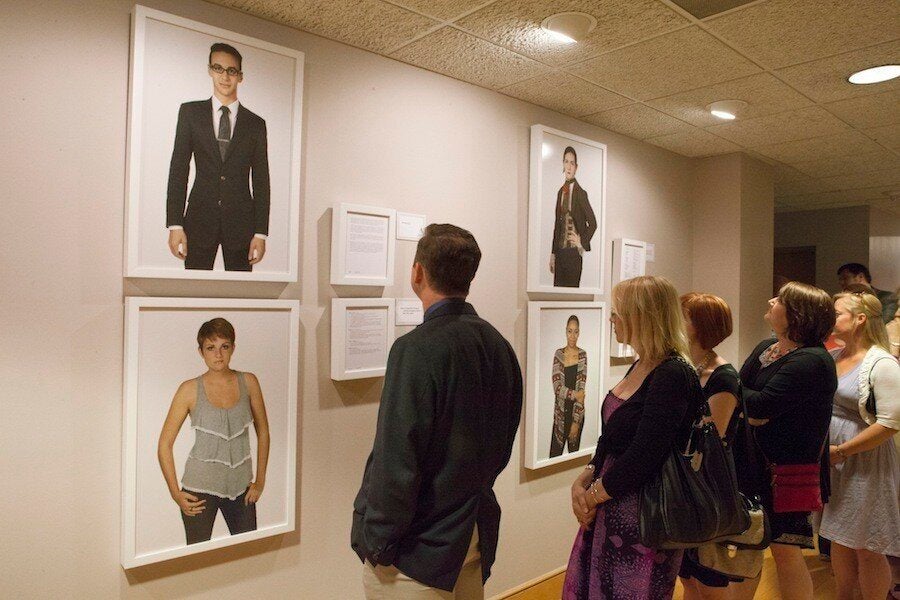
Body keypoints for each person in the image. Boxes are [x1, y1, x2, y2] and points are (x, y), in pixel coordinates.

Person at [351, 224, 523, 599]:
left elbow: (396, 460)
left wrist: (375, 542)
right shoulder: (499, 346)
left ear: (417, 272)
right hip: (470, 535)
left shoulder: (415, 350)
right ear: (469, 278)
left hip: (416, 553)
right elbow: (502, 443)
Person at [563, 276, 703, 599]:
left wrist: (593, 495)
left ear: (642, 316)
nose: (612, 319)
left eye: (618, 312)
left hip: (643, 520)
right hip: (610, 506)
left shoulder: (673, 374)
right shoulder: (642, 363)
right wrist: (584, 477)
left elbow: (645, 455)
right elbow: (612, 434)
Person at [732, 282, 837, 600]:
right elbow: (739, 388)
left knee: (785, 551)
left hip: (787, 472)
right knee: (751, 545)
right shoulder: (767, 346)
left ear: (796, 314)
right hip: (757, 463)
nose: (770, 300)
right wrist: (747, 405)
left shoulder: (813, 361)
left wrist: (745, 405)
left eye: (780, 299)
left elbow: (756, 403)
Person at [157, 318, 270, 545]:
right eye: (211, 348)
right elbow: (164, 445)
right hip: (198, 490)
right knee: (198, 559)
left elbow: (264, 432)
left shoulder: (249, 382)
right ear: (201, 352)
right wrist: (175, 493)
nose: (218, 354)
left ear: (232, 348)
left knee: (248, 555)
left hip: (241, 489)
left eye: (224, 347)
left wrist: (260, 481)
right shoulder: (188, 389)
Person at [820, 291, 900, 600]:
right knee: (840, 537)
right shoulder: (834, 356)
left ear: (859, 319)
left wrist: (840, 451)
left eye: (838, 313)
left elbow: (889, 423)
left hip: (864, 460)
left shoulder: (882, 363)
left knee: (867, 543)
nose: (831, 319)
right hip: (836, 460)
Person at [166, 42, 270, 271]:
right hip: (198, 219)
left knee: (241, 297)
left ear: (240, 76)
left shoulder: (255, 124)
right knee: (195, 295)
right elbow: (178, 169)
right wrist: (175, 224)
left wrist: (260, 232)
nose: (225, 76)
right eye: (219, 68)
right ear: (210, 70)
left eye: (232, 70)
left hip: (242, 224)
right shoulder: (190, 113)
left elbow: (261, 180)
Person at [676, 293, 743, 599]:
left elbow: (711, 437)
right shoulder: (680, 366)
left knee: (709, 578)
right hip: (682, 486)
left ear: (699, 326)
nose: (675, 319)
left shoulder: (723, 377)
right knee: (688, 576)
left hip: (705, 490)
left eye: (684, 315)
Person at [549, 146, 597, 288]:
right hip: (560, 254)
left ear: (576, 167)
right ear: (563, 164)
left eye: (572, 163)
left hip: (573, 255)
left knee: (571, 294)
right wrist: (553, 254)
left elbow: (593, 223)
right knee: (556, 296)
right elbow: (557, 225)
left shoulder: (581, 193)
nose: (569, 166)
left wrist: (581, 241)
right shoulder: (560, 192)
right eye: (566, 162)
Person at [549, 315, 587, 458]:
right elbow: (557, 388)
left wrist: (576, 423)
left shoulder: (583, 355)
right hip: (560, 416)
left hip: (576, 414)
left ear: (579, 333)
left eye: (576, 331)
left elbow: (581, 392)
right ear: (566, 331)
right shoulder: (559, 354)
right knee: (553, 458)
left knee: (573, 461)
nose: (572, 336)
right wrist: (575, 395)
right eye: (570, 331)